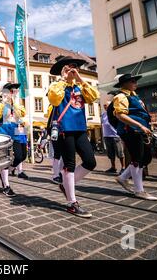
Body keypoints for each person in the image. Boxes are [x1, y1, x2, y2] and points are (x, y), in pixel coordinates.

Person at [48, 55, 99, 218]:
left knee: (90, 162)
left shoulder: (80, 87)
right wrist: (64, 79)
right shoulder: (56, 85)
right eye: (68, 67)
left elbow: (93, 97)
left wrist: (79, 78)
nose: (71, 69)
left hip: (80, 128)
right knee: (69, 164)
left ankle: (65, 184)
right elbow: (55, 100)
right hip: (64, 129)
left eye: (74, 67)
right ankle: (72, 203)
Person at [113, 74, 157, 201]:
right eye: (133, 81)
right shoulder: (121, 96)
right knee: (138, 158)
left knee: (146, 158)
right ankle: (139, 191)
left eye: (135, 81)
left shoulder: (135, 96)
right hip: (130, 130)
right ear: (124, 84)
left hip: (140, 129)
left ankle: (122, 178)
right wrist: (139, 125)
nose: (136, 83)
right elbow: (120, 115)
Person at [0, 82, 28, 197]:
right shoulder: (0, 104)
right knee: (5, 159)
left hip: (15, 131)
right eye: (11, 91)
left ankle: (6, 173)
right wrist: (3, 102)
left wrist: (13, 103)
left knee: (21, 156)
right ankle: (6, 185)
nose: (13, 93)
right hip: (2, 132)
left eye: (14, 91)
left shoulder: (16, 104)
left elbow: (22, 113)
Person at [102, 101, 125, 174]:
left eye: (106, 105)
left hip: (115, 136)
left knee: (120, 153)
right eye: (104, 105)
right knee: (110, 153)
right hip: (107, 135)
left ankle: (123, 167)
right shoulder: (103, 114)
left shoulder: (114, 113)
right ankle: (113, 167)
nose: (105, 107)